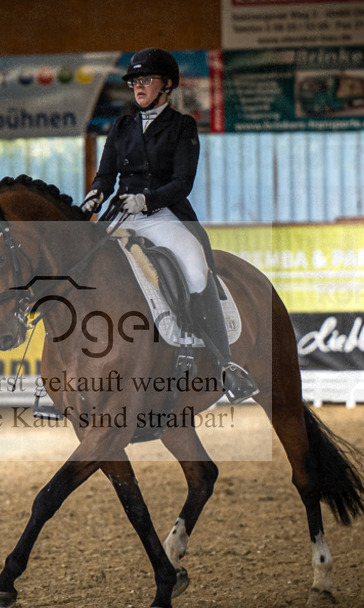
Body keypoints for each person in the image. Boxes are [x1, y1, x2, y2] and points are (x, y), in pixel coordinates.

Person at [82, 48, 258, 403]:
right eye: (135, 81)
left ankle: (225, 364)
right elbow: (105, 177)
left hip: (162, 214)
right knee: (79, 267)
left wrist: (146, 200)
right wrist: (94, 197)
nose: (138, 87)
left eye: (146, 80)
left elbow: (182, 182)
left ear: (167, 86)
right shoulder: (121, 126)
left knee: (194, 265)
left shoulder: (182, 126)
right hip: (121, 215)